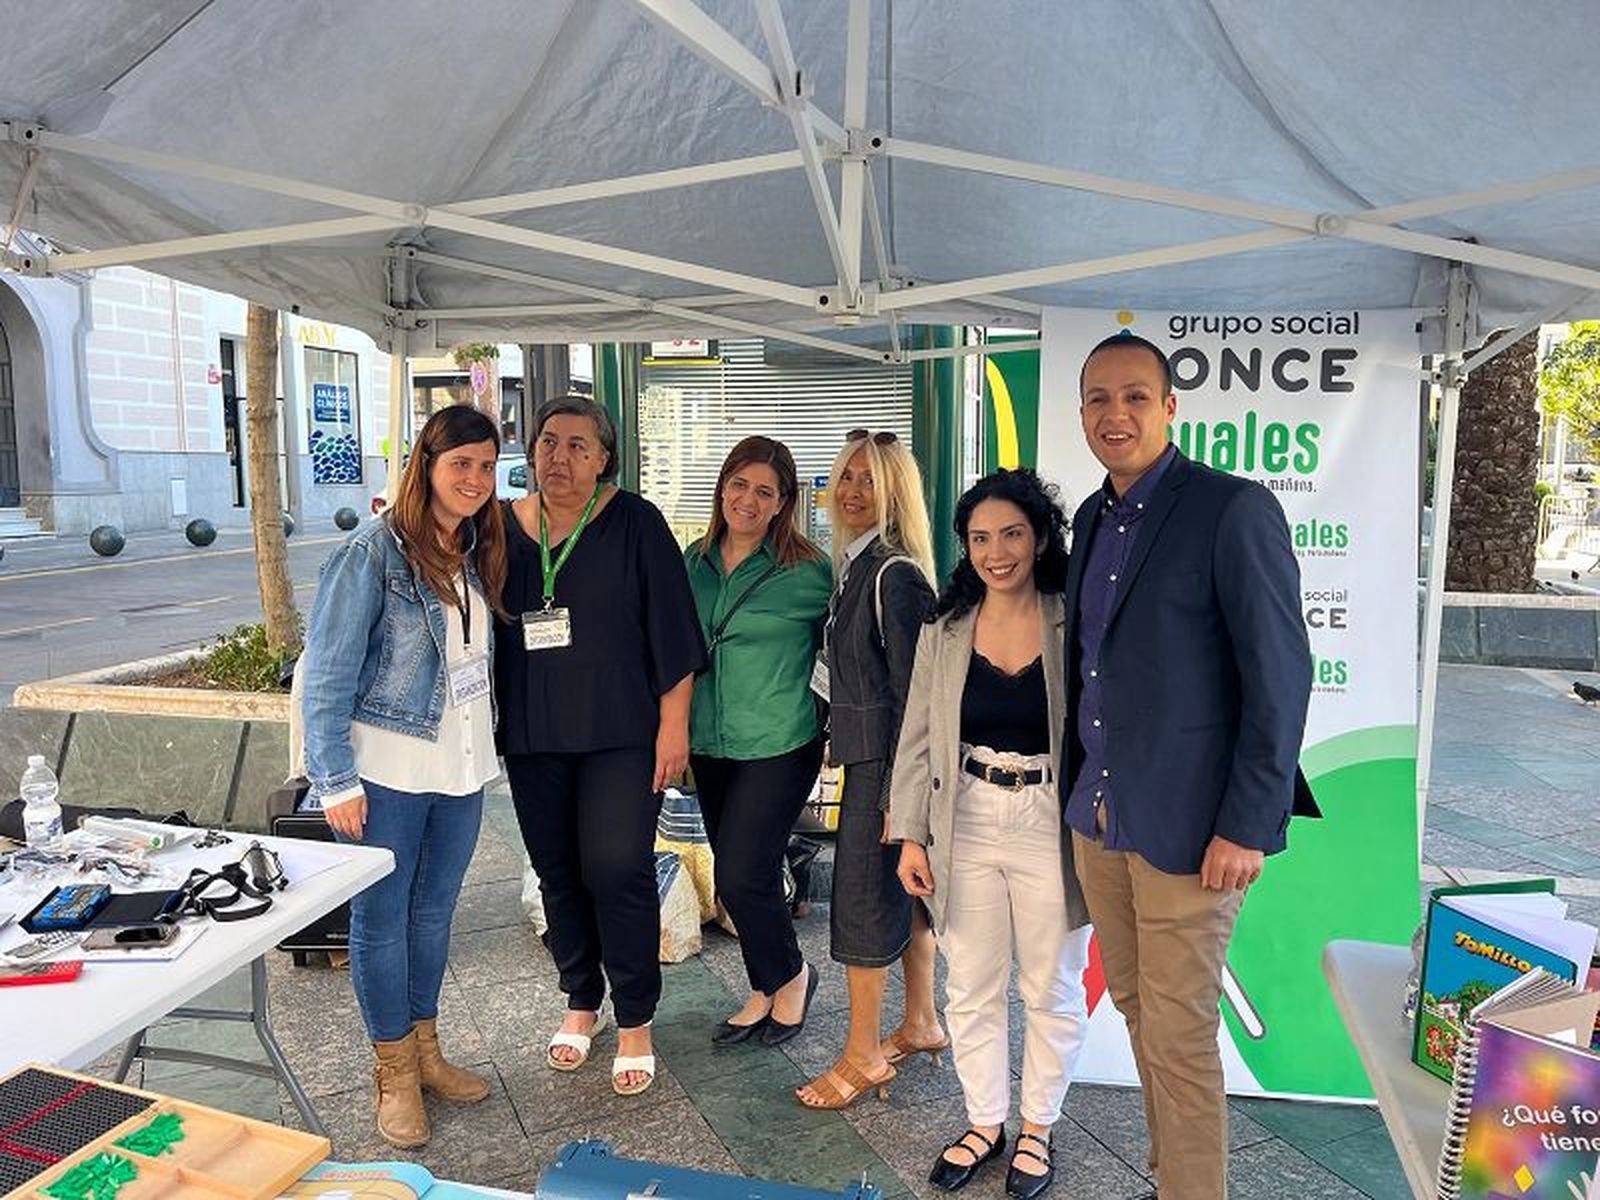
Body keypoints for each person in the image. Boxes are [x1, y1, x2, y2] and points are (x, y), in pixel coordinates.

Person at [1064, 333, 1312, 1200]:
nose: (1114, 414)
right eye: (1098, 398)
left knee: (1177, 1035)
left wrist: (1249, 822)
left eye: (1135, 396)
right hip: (1101, 824)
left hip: (1192, 832)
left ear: (1170, 408)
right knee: (1142, 1016)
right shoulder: (1090, 519)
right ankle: (1174, 1178)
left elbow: (1279, 675)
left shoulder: (1232, 509)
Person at [299, 405, 507, 1149]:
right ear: (427, 464)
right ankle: (391, 1072)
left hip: (461, 766)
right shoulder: (373, 553)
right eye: (462, 464)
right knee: (381, 921)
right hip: (385, 771)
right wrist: (335, 781)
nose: (476, 479)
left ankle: (426, 1054)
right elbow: (324, 672)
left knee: (432, 915)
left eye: (486, 465)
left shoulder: (477, 549)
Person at [494, 395, 705, 1098]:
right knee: (559, 874)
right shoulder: (498, 528)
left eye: (579, 445)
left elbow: (673, 629)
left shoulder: (634, 522)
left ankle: (636, 1016)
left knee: (617, 868)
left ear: (605, 457)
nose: (561, 457)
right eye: (550, 442)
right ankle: (581, 1001)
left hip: (622, 734)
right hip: (533, 734)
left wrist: (674, 726)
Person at [892, 469, 1093, 1199]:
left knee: (1051, 984)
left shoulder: (1076, 616)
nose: (996, 551)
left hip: (1052, 818)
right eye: (980, 538)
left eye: (1011, 533)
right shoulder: (944, 630)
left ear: (1040, 537)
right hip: (964, 815)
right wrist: (910, 835)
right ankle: (985, 1122)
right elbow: (916, 737)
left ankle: (1038, 1127)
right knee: (970, 984)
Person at [795, 429, 942, 1110]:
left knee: (860, 902)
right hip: (868, 757)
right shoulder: (856, 568)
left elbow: (919, 699)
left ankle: (862, 1055)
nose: (852, 492)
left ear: (895, 493)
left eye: (869, 480)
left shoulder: (893, 575)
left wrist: (899, 798)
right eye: (844, 477)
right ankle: (920, 1020)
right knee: (905, 898)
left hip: (884, 769)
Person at [685, 436, 832, 1047]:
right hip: (710, 742)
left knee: (745, 873)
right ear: (723, 487)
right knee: (733, 875)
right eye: (739, 484)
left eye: (764, 492)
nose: (748, 499)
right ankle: (764, 985)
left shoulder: (809, 571)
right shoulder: (692, 560)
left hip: (780, 739)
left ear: (783, 504)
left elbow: (850, 649)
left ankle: (793, 976)